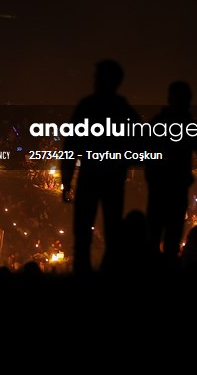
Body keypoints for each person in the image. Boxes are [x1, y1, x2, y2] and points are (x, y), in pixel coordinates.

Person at [60, 60, 141, 274]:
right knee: (112, 232)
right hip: (113, 178)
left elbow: (71, 145)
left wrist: (66, 182)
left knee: (83, 233)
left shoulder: (87, 106)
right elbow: (141, 144)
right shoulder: (123, 109)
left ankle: (83, 276)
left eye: (97, 76)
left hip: (91, 176)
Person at [144, 81, 197, 266]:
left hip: (159, 186)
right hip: (174, 187)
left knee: (157, 233)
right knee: (170, 236)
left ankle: (153, 270)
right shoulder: (186, 124)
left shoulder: (158, 122)